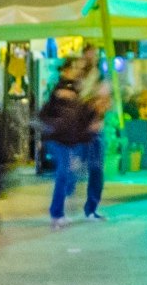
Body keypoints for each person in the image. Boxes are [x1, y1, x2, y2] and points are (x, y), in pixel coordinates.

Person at [38, 73, 105, 228]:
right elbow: (41, 119)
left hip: (72, 144)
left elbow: (88, 122)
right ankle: (57, 213)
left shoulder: (79, 107)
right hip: (56, 142)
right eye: (63, 90)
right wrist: (46, 134)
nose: (66, 94)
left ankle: (80, 208)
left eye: (70, 91)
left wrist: (94, 123)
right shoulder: (53, 105)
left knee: (74, 172)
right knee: (63, 172)